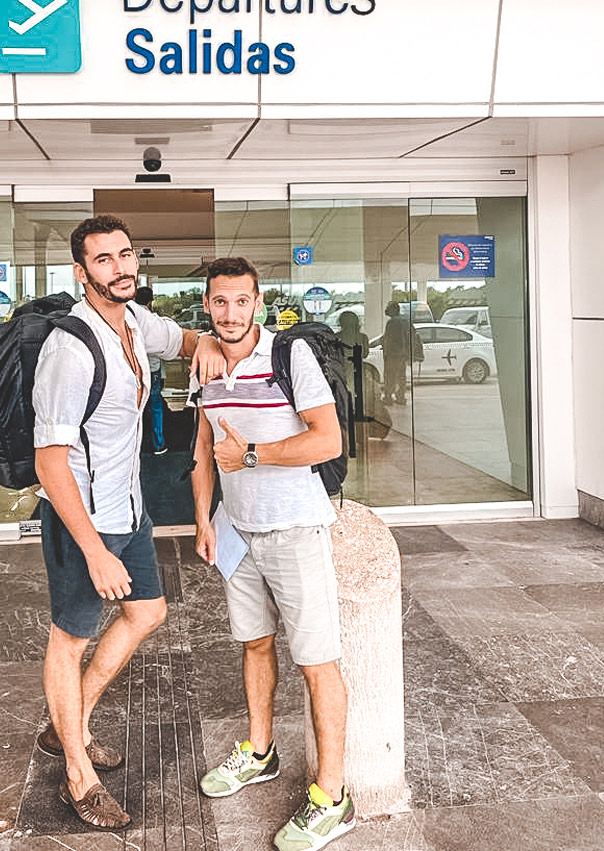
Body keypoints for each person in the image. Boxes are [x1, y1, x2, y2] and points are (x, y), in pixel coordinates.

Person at [32, 214, 224, 831]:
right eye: (105, 260)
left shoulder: (137, 322)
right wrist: (94, 551)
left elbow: (189, 341)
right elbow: (50, 461)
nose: (120, 269)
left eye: (125, 256)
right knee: (70, 638)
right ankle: (78, 775)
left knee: (147, 611)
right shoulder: (70, 346)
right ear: (82, 272)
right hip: (82, 520)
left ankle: (70, 724)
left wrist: (219, 346)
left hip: (130, 507)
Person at [191, 257, 355, 851]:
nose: (230, 313)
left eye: (241, 301)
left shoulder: (292, 358)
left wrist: (255, 456)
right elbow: (205, 446)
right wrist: (203, 516)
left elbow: (326, 439)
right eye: (219, 302)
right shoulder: (203, 363)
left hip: (293, 528)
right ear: (206, 306)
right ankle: (260, 751)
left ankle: (332, 797)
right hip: (237, 529)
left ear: (258, 303)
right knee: (254, 642)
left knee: (316, 659)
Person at [135, 285, 167, 454]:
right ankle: (158, 444)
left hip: (134, 369)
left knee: (133, 406)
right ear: (150, 301)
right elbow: (162, 346)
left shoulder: (128, 317)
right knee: (155, 406)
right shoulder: (153, 319)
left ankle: (134, 445)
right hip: (152, 368)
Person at [381, 301, 422, 405]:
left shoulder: (392, 322)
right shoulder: (406, 321)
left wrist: (386, 353)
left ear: (393, 309)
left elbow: (389, 340)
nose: (386, 310)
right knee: (401, 376)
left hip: (393, 354)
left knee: (390, 376)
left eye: (388, 308)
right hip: (403, 354)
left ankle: (388, 397)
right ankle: (401, 397)